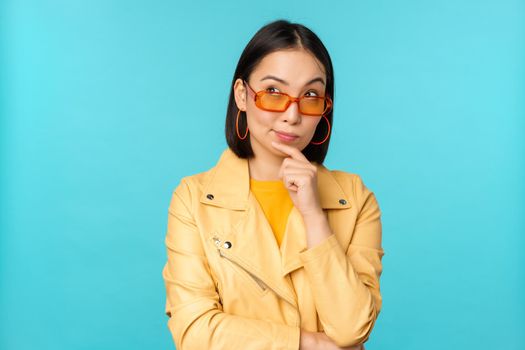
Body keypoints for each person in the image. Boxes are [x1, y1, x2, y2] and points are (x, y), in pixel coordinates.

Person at [162, 19, 385, 350]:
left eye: (310, 95)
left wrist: (313, 215)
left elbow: (352, 327)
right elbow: (194, 331)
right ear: (242, 95)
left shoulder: (354, 199)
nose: (292, 115)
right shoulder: (194, 199)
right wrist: (308, 343)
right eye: (274, 93)